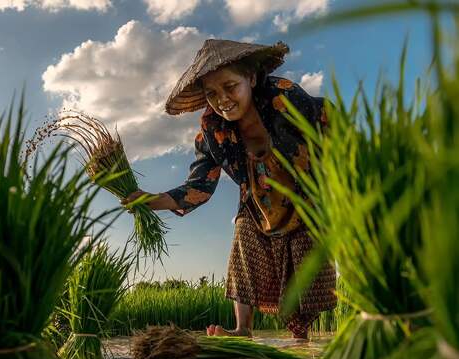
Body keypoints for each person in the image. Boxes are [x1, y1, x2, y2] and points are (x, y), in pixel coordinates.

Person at [123, 39, 336, 339]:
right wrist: (148, 201)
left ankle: (302, 338)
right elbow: (199, 186)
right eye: (212, 94)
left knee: (303, 279)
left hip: (306, 198)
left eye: (230, 87)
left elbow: (326, 120)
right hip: (257, 202)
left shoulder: (283, 96)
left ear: (250, 78)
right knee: (244, 238)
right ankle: (242, 329)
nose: (222, 100)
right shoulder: (213, 130)